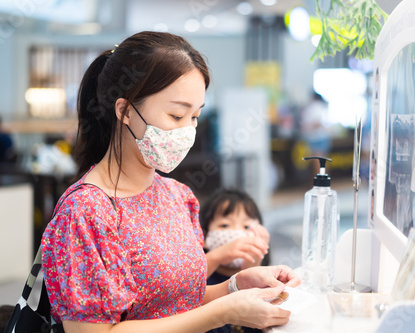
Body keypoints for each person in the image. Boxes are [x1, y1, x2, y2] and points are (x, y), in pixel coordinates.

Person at [41, 31, 300, 333]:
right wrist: (223, 313)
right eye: (177, 115)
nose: (187, 131)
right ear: (125, 111)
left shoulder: (178, 196)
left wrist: (235, 286)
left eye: (195, 117)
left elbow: (177, 303)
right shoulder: (85, 212)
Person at [200, 188, 271, 333]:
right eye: (225, 225)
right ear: (204, 235)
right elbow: (183, 286)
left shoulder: (269, 281)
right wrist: (218, 255)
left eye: (246, 227)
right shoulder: (202, 281)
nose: (237, 234)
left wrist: (252, 267)